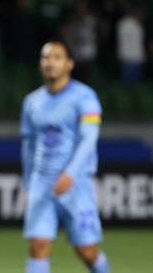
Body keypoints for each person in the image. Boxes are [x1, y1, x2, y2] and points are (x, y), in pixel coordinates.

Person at [20, 41, 109, 273]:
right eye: (46, 57)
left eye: (57, 57)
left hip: (76, 183)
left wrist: (70, 174)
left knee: (86, 250)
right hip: (42, 183)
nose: (50, 62)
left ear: (69, 64)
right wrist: (29, 182)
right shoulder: (31, 102)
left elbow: (89, 139)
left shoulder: (85, 97)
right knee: (38, 245)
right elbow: (28, 146)